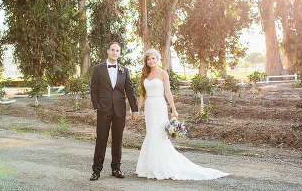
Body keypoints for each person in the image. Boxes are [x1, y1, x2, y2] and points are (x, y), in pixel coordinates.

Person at [135, 48, 228, 180]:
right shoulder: (145, 75)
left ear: (157, 59)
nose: (151, 61)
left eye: (153, 58)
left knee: (160, 135)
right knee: (150, 133)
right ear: (146, 61)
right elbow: (142, 95)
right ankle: (149, 167)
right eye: (148, 59)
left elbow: (168, 92)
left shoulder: (163, 74)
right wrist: (137, 110)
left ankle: (163, 166)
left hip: (159, 106)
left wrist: (174, 109)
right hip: (149, 108)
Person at [90, 42, 138, 181]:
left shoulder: (124, 70)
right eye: (112, 50)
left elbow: (130, 91)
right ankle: (96, 170)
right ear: (108, 51)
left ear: (120, 53)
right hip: (103, 110)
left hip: (119, 111)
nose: (115, 53)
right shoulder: (98, 69)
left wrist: (134, 110)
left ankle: (116, 168)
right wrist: (97, 106)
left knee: (118, 140)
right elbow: (94, 89)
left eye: (117, 51)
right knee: (101, 139)